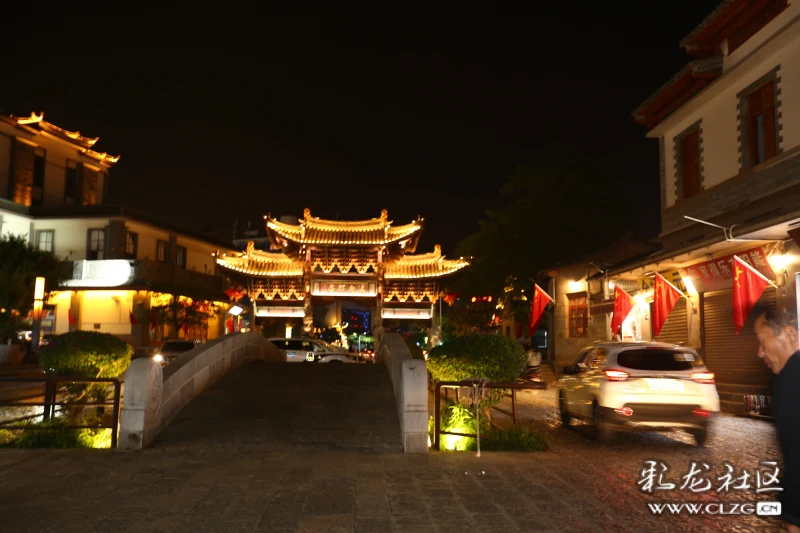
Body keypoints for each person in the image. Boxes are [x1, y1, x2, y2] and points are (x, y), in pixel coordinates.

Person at [754, 307, 800, 533]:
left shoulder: (792, 376)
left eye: (763, 341)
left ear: (790, 334)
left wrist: (792, 514)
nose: (760, 352)